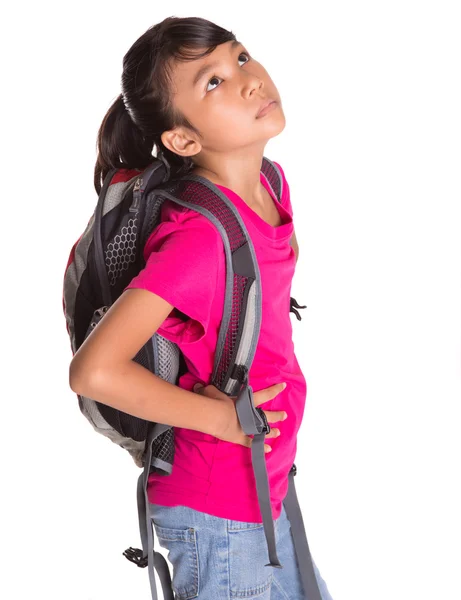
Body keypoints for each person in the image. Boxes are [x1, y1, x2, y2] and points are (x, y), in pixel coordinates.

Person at [69, 15, 334, 600]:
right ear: (184, 140)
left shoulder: (271, 183)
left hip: (267, 485)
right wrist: (221, 419)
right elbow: (93, 371)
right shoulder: (197, 240)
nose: (247, 80)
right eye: (211, 82)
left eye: (239, 58)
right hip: (218, 512)